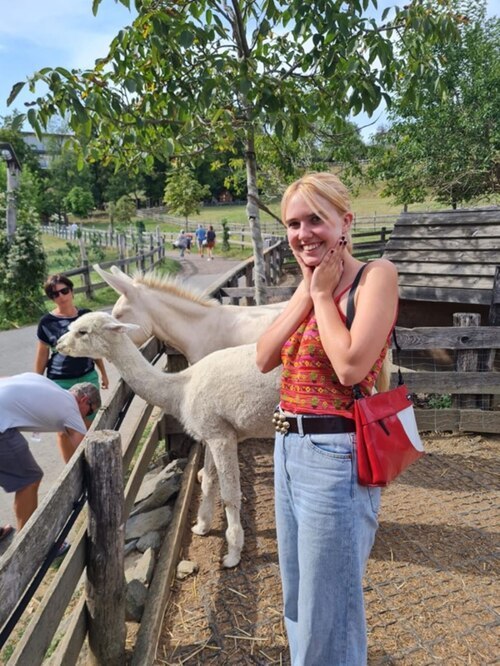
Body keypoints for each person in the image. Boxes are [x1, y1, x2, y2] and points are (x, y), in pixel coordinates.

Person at [256, 172, 398, 665]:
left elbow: (352, 365)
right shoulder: (310, 284)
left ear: (346, 222)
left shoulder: (374, 276)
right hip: (288, 448)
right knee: (298, 595)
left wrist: (321, 298)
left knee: (329, 607)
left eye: (316, 219)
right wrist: (307, 289)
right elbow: (263, 357)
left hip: (335, 455)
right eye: (294, 223)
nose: (303, 233)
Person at [0, 373, 100, 533]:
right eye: (89, 412)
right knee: (29, 480)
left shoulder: (50, 387)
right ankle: (28, 544)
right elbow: (85, 451)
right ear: (83, 400)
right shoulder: (71, 410)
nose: (86, 417)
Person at [34, 274, 108, 462]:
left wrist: (103, 373)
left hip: (86, 377)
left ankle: (92, 465)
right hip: (60, 380)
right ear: (52, 298)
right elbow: (42, 354)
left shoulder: (86, 316)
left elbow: (94, 348)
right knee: (63, 429)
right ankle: (71, 471)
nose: (61, 296)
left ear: (72, 291)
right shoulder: (46, 322)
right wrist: (37, 382)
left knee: (88, 424)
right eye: (54, 294)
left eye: (64, 291)